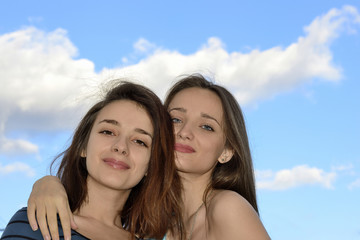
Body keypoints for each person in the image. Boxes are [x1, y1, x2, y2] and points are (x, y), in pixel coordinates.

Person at [25, 74, 270, 239]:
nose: (184, 132)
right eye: (175, 119)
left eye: (206, 126)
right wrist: (49, 183)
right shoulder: (157, 230)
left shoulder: (226, 207)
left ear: (227, 151)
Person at [1, 81, 184, 240]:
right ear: (82, 146)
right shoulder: (36, 223)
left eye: (139, 141)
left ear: (151, 166)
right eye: (108, 131)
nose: (121, 146)